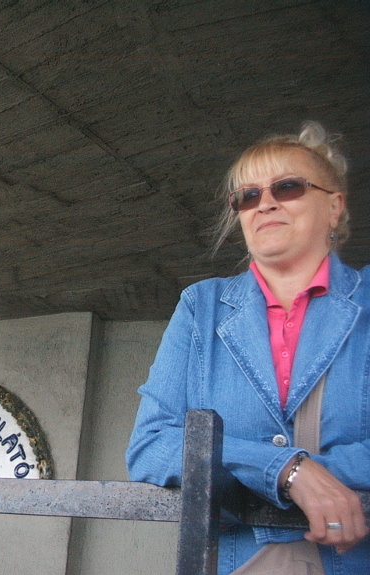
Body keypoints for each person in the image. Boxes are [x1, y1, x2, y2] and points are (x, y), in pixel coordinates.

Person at [126, 121, 370, 573]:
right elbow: (151, 445)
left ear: (334, 207)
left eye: (288, 187)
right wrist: (286, 470)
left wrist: (307, 477)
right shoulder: (201, 306)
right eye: (248, 196)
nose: (266, 203)